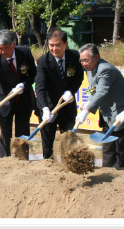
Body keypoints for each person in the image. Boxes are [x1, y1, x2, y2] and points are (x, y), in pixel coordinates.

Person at [77, 43, 124, 169]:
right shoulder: (89, 70)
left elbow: (102, 91)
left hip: (122, 115)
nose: (84, 63)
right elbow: (93, 90)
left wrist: (87, 110)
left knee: (122, 153)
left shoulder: (105, 69)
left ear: (96, 57)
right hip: (107, 115)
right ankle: (108, 177)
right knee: (108, 150)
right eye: (81, 60)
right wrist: (89, 101)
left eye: (86, 60)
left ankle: (122, 179)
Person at [0, 30, 37, 158]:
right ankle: (5, 160)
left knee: (22, 132)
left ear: (14, 45)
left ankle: (22, 158)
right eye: (0, 48)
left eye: (6, 48)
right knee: (5, 133)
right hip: (5, 101)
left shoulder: (25, 53)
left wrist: (24, 84)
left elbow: (34, 74)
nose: (3, 52)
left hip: (23, 100)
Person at [35, 28, 84, 159]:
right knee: (47, 142)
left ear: (66, 44)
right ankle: (48, 161)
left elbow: (79, 78)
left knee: (68, 140)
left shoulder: (74, 57)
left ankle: (69, 162)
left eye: (58, 45)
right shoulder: (43, 62)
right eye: (51, 45)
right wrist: (44, 108)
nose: (54, 48)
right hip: (49, 107)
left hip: (67, 107)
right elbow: (40, 88)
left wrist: (70, 91)